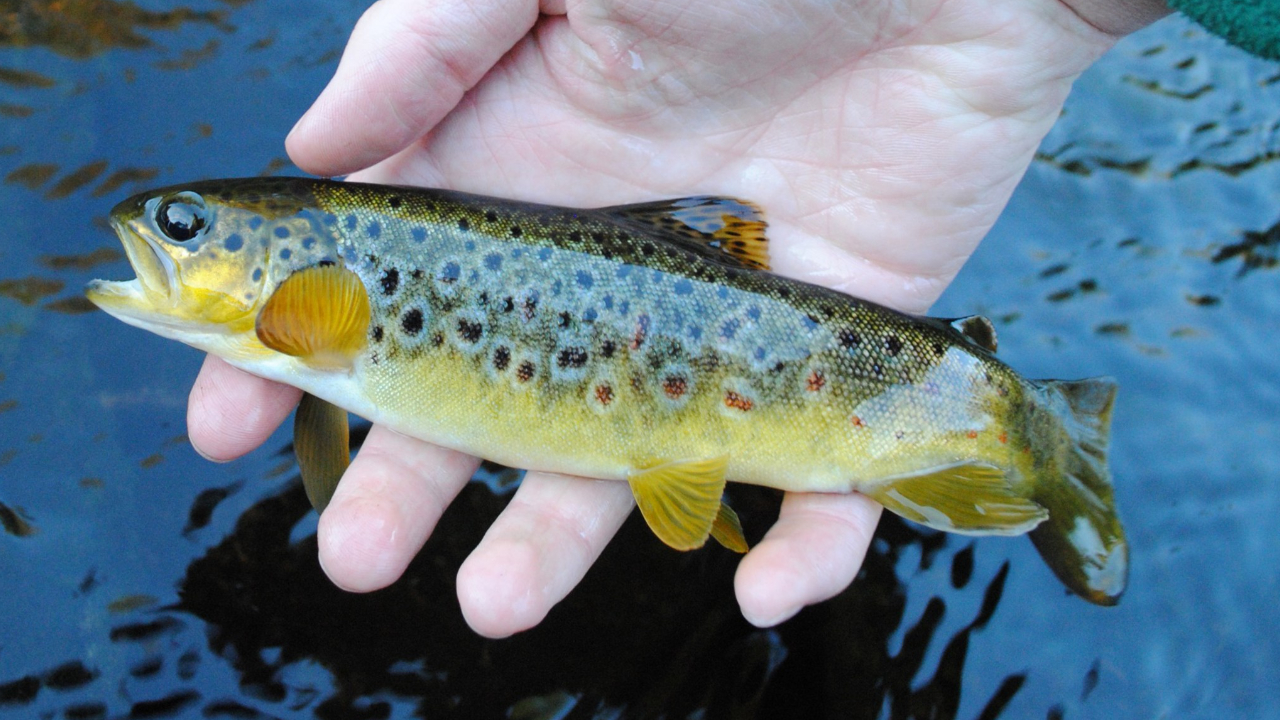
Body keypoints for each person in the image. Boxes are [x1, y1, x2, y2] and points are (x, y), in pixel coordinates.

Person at [188, 0, 1173, 638]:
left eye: (186, 230)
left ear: (293, 274)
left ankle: (1049, 434)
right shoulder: (310, 309)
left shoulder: (312, 315)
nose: (167, 240)